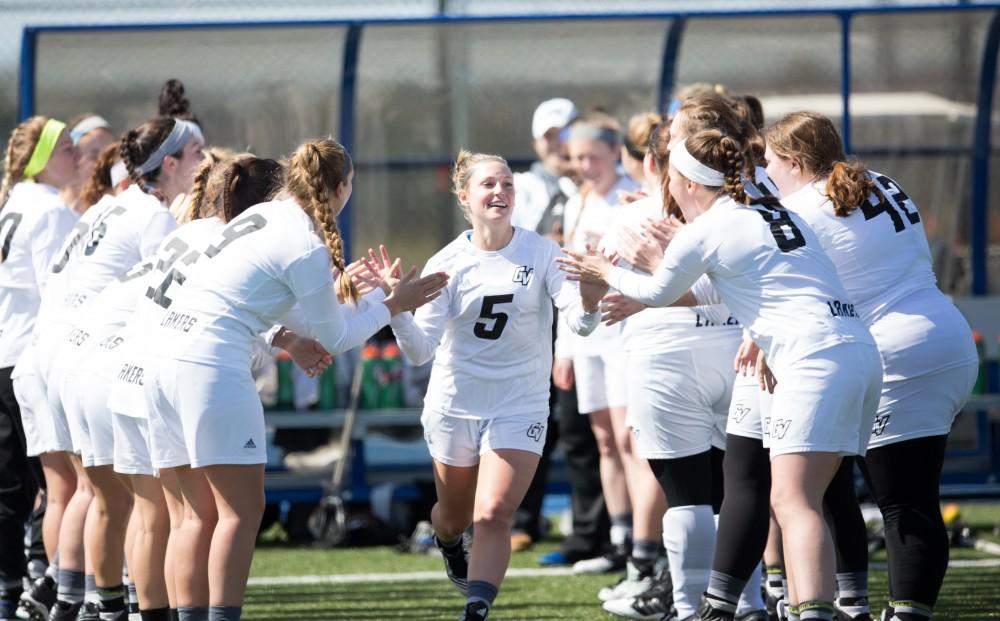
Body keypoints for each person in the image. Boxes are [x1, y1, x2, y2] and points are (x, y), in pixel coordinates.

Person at [558, 127, 882, 621]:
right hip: (855, 349)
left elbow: (658, 292)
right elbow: (751, 285)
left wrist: (601, 271)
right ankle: (750, 605)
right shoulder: (772, 208)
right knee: (809, 492)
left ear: (686, 181)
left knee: (794, 500)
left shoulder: (711, 226)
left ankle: (810, 611)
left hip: (809, 355)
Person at [140, 137, 446, 621]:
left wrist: (367, 300)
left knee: (192, 517)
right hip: (209, 366)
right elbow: (338, 337)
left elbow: (299, 315)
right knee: (238, 514)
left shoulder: (259, 218)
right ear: (341, 187)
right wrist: (393, 304)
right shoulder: (303, 240)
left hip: (161, 362)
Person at [764, 111, 978, 621]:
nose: (767, 172)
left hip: (895, 351)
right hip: (944, 337)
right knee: (900, 494)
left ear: (794, 161)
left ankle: (886, 611)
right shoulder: (878, 181)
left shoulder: (803, 208)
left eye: (771, 161)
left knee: (898, 502)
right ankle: (866, 604)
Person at [389, 150, 604, 620]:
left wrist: (590, 298)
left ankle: (476, 608)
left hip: (519, 404)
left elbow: (580, 323)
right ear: (464, 196)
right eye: (488, 184)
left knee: (492, 514)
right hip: (456, 404)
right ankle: (448, 543)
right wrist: (398, 312)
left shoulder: (542, 251)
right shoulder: (447, 262)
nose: (500, 192)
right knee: (454, 516)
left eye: (507, 183)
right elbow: (420, 350)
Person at [19, 115, 201, 621]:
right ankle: (100, 601)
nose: (207, 162)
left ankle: (78, 601)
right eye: (198, 152)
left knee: (93, 495)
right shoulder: (155, 218)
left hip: (53, 355)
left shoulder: (110, 206)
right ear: (169, 164)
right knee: (143, 505)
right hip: (94, 357)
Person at [0, 116, 79, 620]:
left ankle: (12, 592)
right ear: (41, 159)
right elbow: (64, 293)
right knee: (71, 487)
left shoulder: (15, 204)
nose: (76, 156)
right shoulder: (50, 210)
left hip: (7, 356)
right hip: (36, 359)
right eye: (66, 148)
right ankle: (62, 588)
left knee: (16, 488)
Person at [556, 112, 640, 575]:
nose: (585, 166)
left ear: (615, 154)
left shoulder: (631, 198)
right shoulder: (578, 202)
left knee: (629, 438)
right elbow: (567, 279)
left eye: (593, 156)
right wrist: (562, 347)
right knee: (605, 440)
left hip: (625, 331)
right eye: (577, 158)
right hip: (588, 336)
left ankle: (644, 542)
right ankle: (619, 537)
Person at [512, 97, 578, 239]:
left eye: (565, 135)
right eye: (549, 136)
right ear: (535, 143)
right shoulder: (515, 188)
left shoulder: (603, 186)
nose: (558, 143)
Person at [62, 114, 115, 213]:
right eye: (94, 156)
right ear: (74, 156)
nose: (103, 163)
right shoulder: (50, 205)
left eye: (109, 157)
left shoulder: (114, 209)